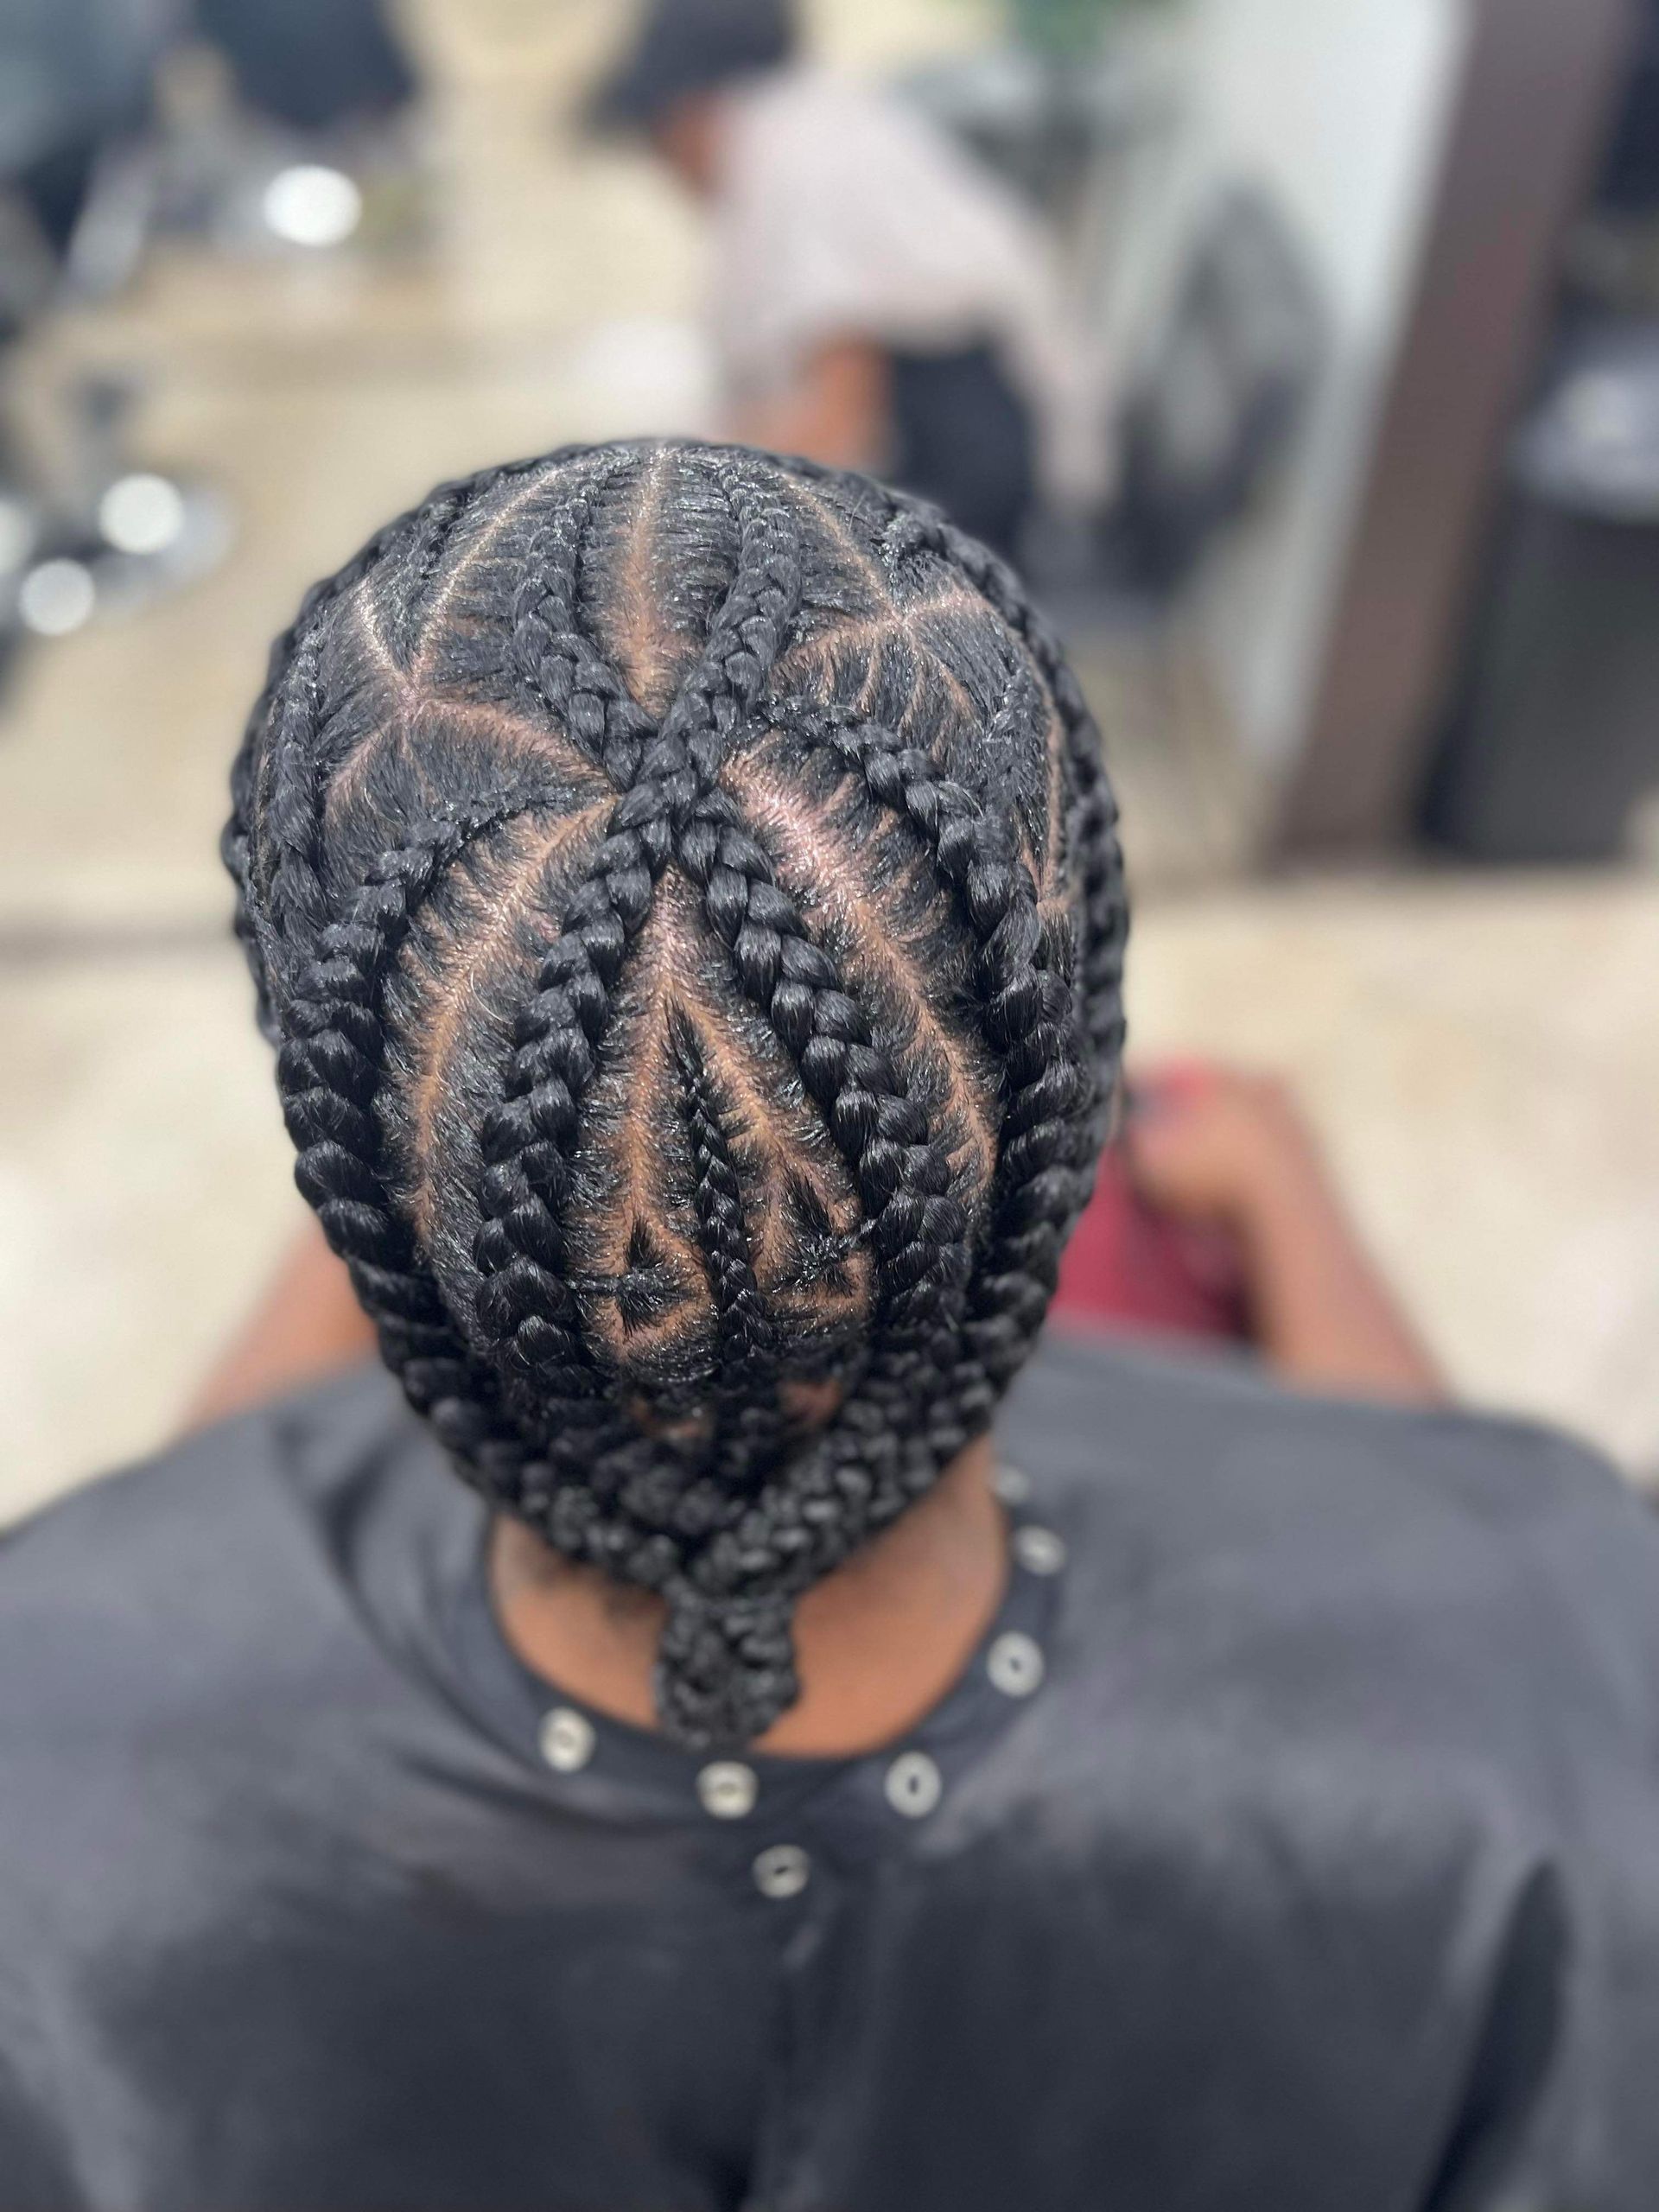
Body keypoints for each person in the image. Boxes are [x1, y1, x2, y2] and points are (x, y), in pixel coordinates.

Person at [3, 439, 1658, 2210]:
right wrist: (1300, 1208)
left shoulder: (52, 1722)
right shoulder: (1567, 1656)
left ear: (370, 1153)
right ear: (1062, 1081)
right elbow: (1473, 1560)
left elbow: (165, 1588)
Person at [589, 0, 1086, 558]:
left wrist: (669, 505)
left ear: (689, 112)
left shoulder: (796, 164)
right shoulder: (823, 129)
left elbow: (839, 421)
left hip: (977, 486)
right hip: (961, 458)